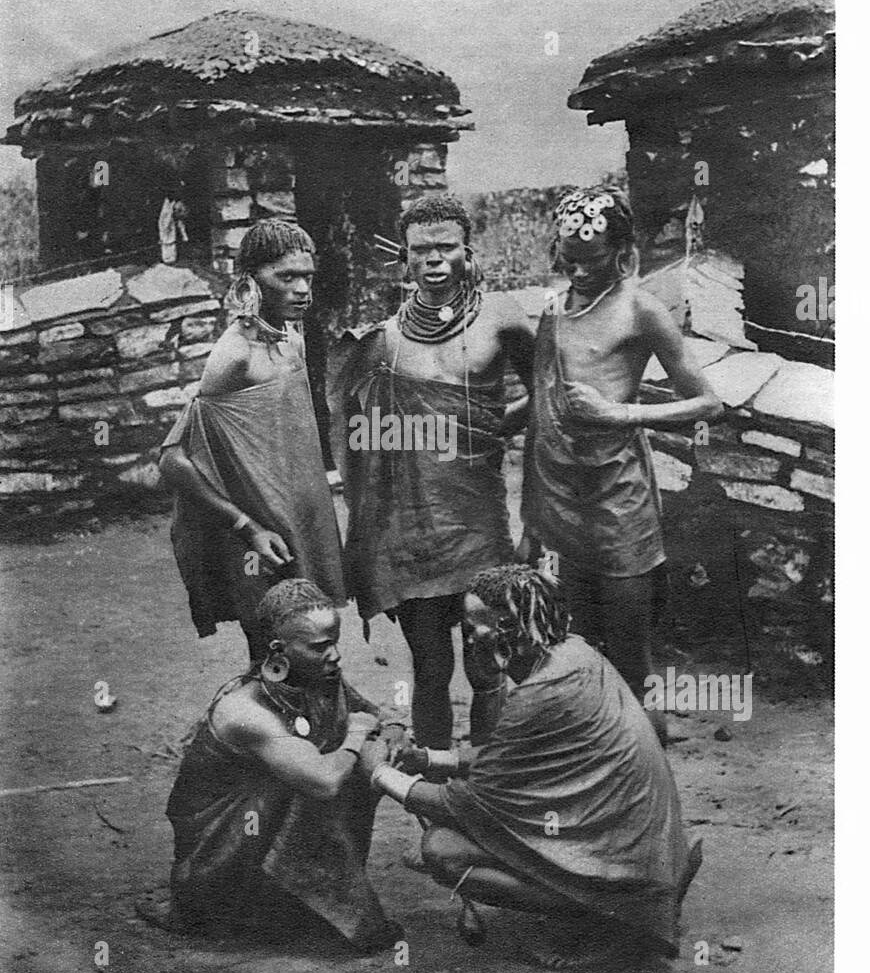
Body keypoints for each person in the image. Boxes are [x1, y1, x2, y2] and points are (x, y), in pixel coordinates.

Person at [371, 564, 701, 963]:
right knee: (455, 840)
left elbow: (470, 802)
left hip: (626, 856)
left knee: (442, 849)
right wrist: (428, 759)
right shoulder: (575, 655)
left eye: (475, 626)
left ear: (509, 626)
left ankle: (616, 923)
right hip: (641, 845)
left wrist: (379, 773)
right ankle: (621, 901)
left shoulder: (538, 695)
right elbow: (510, 760)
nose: (469, 637)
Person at [329, 192, 535, 752]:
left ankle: (488, 781)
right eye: (421, 251)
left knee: (487, 656)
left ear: (468, 251)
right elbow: (354, 434)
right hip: (412, 531)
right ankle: (439, 779)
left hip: (478, 519)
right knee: (430, 667)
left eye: (446, 247)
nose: (434, 260)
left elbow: (550, 394)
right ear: (405, 259)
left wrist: (494, 428)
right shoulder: (386, 341)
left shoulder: (503, 316)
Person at [521, 185, 722, 711]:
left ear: (623, 252)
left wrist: (621, 415)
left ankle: (648, 763)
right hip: (559, 495)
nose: (579, 273)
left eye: (592, 261)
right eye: (568, 262)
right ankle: (598, 756)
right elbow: (547, 402)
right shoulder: (553, 308)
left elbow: (707, 404)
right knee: (576, 647)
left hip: (616, 498)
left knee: (631, 654)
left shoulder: (641, 309)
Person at [140, 579, 401, 954]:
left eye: (336, 642)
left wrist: (390, 732)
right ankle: (236, 908)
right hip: (217, 859)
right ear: (279, 650)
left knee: (350, 767)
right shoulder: (244, 712)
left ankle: (291, 903)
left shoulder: (317, 677)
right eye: (320, 646)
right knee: (327, 776)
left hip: (263, 832)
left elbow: (377, 716)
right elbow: (325, 780)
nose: (335, 656)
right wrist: (358, 737)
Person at [160, 220, 345, 650]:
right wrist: (247, 527)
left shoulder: (291, 339)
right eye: (286, 277)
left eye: (307, 277)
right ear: (251, 281)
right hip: (258, 533)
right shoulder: (234, 354)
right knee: (271, 646)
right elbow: (173, 460)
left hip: (297, 522)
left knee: (309, 637)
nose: (302, 289)